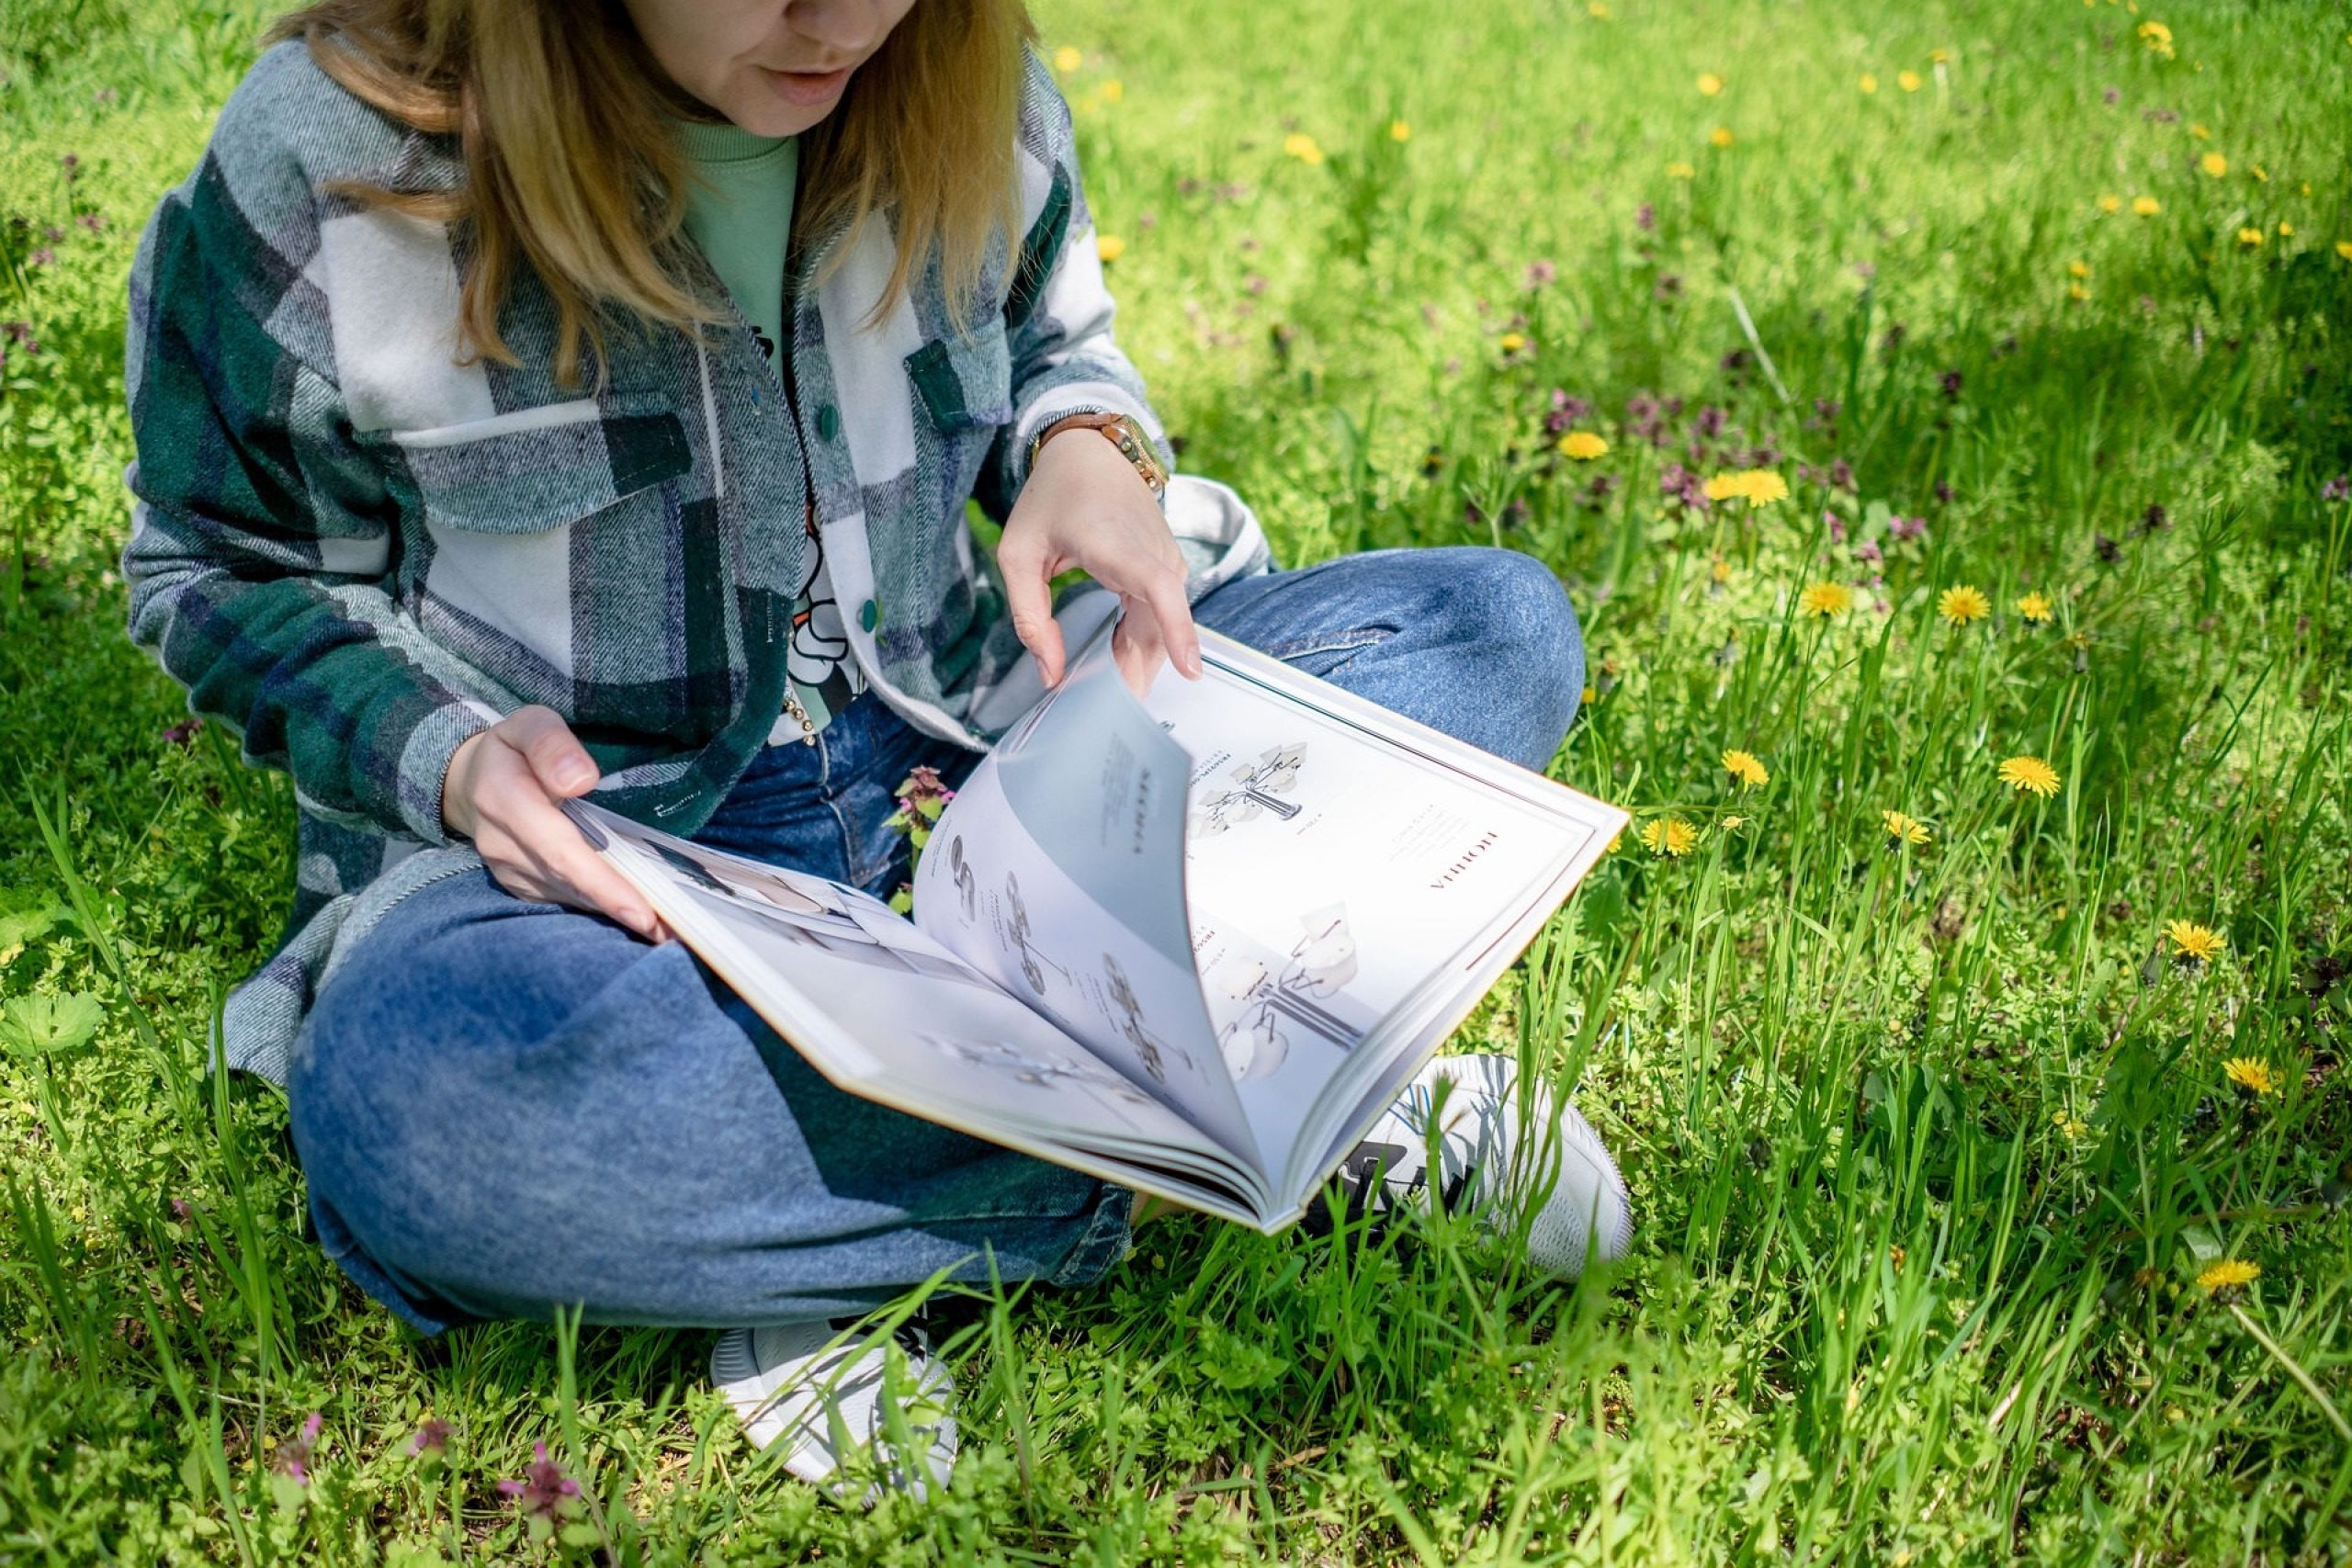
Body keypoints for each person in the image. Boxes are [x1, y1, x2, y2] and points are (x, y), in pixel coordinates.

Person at [121, 0, 1633, 1502]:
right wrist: (442, 753)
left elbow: (1060, 348)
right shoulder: (335, 155)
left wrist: (1088, 451)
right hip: (621, 888)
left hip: (993, 770)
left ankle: (813, 1201)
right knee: (414, 1108)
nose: (840, 18)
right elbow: (214, 562)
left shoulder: (963, 67)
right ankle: (1283, 1092)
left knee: (1486, 628)